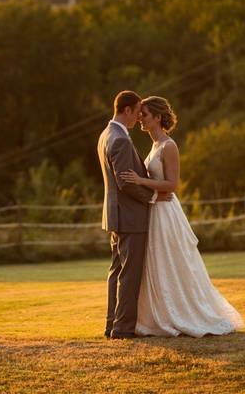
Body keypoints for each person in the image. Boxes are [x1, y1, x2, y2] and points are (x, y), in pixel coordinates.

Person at [119, 96, 244, 337]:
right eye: (140, 114)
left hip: (166, 212)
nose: (141, 119)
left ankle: (185, 314)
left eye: (145, 115)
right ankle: (158, 315)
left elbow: (172, 184)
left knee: (172, 260)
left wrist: (140, 180)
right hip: (154, 209)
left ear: (157, 117)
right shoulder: (154, 146)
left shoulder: (169, 146)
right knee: (155, 262)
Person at [97, 90, 172, 339]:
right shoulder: (120, 139)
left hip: (117, 216)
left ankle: (112, 324)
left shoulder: (106, 135)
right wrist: (152, 198)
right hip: (130, 217)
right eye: (137, 112)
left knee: (117, 272)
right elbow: (126, 183)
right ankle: (123, 328)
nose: (138, 117)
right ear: (126, 110)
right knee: (129, 275)